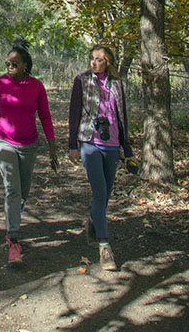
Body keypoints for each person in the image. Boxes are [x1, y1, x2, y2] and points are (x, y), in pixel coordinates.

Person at [0, 37, 58, 265]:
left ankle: (13, 219)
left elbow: (46, 117)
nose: (9, 67)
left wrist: (52, 148)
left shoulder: (36, 86)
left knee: (23, 191)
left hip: (29, 144)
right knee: (12, 188)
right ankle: (13, 239)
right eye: (7, 64)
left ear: (25, 65)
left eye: (14, 64)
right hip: (2, 141)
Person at [68, 44, 133, 271]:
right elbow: (74, 111)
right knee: (100, 191)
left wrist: (128, 149)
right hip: (89, 142)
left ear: (108, 62)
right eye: (92, 59)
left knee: (106, 192)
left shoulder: (117, 84)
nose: (94, 63)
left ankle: (94, 221)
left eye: (99, 60)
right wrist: (72, 145)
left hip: (112, 144)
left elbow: (122, 116)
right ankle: (104, 247)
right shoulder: (82, 80)